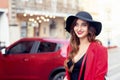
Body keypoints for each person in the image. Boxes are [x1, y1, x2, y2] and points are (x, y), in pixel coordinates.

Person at [64, 11, 108, 80]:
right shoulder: (71, 47)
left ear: (89, 28)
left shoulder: (99, 50)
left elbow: (99, 77)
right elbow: (68, 73)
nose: (79, 28)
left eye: (83, 25)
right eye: (76, 24)